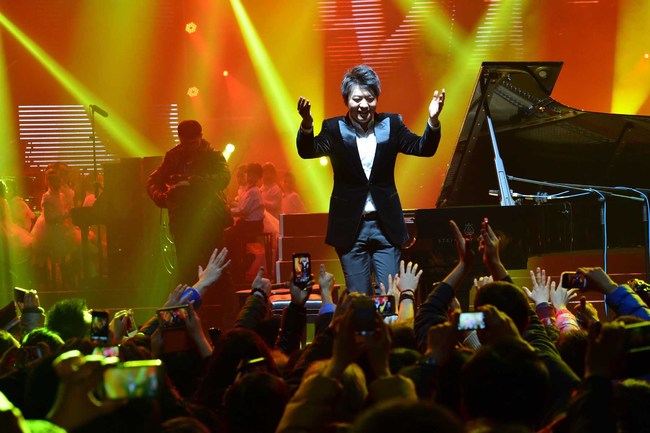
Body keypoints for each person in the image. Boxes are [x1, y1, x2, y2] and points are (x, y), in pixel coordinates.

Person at [296, 64, 445, 294]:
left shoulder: (391, 124)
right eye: (357, 99)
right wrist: (307, 124)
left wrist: (433, 121)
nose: (364, 105)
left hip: (386, 225)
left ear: (377, 98)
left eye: (370, 98)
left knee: (390, 296)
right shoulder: (334, 128)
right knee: (359, 299)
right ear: (347, 100)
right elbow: (308, 151)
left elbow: (422, 147)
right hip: (350, 227)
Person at [147, 120, 232, 286]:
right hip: (182, 221)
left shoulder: (213, 155)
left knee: (217, 268)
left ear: (201, 137)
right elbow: (152, 181)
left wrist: (192, 181)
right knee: (187, 271)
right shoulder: (173, 157)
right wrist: (163, 198)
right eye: (186, 143)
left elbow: (224, 178)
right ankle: (191, 309)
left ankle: (229, 311)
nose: (190, 147)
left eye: (194, 143)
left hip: (210, 220)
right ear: (180, 139)